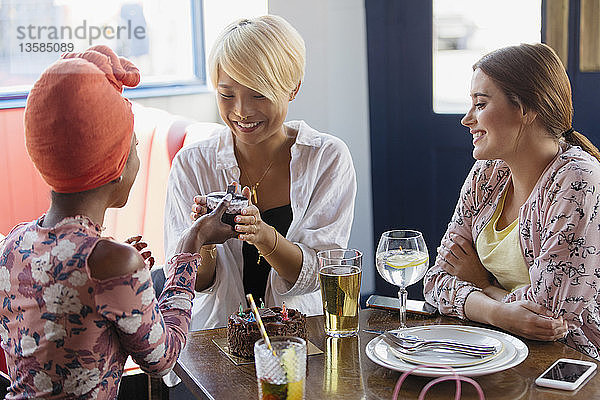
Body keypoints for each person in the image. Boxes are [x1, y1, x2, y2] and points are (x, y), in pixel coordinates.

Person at [0, 45, 236, 399]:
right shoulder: (112, 262)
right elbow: (164, 357)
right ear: (116, 166)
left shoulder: (14, 242)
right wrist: (192, 242)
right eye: (135, 147)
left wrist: (120, 262)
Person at [164, 15, 357, 330]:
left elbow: (320, 276)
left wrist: (265, 237)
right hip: (215, 342)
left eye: (258, 94)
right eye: (227, 94)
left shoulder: (326, 158)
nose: (241, 110)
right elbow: (191, 284)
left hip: (298, 338)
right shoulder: (192, 164)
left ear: (293, 88)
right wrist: (203, 240)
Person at [424, 43, 600, 359]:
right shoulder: (488, 172)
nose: (467, 119)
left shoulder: (578, 178)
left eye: (480, 103)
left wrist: (481, 284)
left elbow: (546, 316)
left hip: (571, 359)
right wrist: (500, 313)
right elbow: (437, 279)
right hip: (494, 345)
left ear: (526, 109)